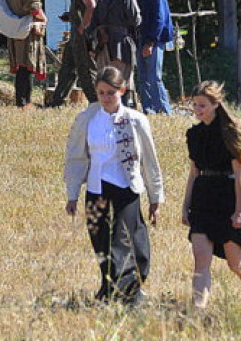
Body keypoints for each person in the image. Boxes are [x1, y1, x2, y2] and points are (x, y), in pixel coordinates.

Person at [64, 66, 165, 305]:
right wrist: (72, 194)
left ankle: (130, 294)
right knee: (101, 243)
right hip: (96, 188)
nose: (106, 98)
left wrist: (155, 198)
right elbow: (76, 158)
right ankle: (108, 288)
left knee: (125, 241)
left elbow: (149, 161)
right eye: (101, 93)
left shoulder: (136, 120)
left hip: (125, 188)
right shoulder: (86, 119)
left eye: (111, 92)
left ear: (122, 90)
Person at [181, 81, 241, 310]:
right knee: (201, 261)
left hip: (228, 198)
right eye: (195, 105)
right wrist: (185, 206)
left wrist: (239, 211)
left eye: (202, 105)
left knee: (236, 264)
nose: (197, 110)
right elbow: (193, 173)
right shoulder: (194, 134)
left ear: (215, 105)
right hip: (203, 198)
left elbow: (240, 175)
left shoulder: (229, 133)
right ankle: (197, 311)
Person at [49, 0, 101, 107]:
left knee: (85, 71)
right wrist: (71, 16)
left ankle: (97, 104)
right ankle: (57, 102)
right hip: (78, 34)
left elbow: (91, 5)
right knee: (67, 68)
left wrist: (82, 26)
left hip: (82, 36)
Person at [128, 0, 175, 114]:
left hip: (153, 41)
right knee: (143, 76)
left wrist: (150, 43)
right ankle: (148, 109)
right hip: (143, 39)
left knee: (154, 77)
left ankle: (163, 110)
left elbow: (159, 20)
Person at [2, 0, 47, 108]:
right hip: (28, 29)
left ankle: (21, 100)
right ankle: (25, 102)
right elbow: (34, 6)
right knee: (27, 65)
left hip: (15, 28)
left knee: (20, 65)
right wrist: (43, 17)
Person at [92, 0, 142, 107]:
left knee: (105, 78)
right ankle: (123, 109)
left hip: (103, 43)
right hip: (121, 44)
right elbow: (135, 20)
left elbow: (94, 19)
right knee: (122, 79)